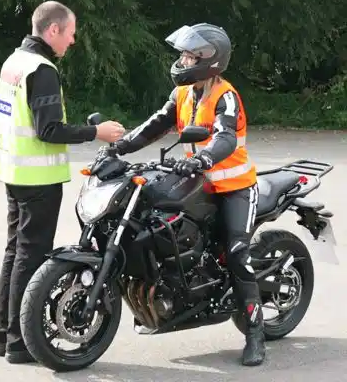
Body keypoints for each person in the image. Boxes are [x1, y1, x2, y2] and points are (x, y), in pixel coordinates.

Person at [99, 23, 265, 366]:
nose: (184, 60)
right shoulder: (183, 93)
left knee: (237, 253)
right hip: (197, 182)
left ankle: (255, 335)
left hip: (234, 188)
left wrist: (203, 157)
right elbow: (155, 125)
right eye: (184, 54)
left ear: (210, 61)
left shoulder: (226, 95)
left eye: (191, 55)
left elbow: (225, 138)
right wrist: (119, 148)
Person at [0, 1, 125, 364]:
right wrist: (97, 131)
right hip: (37, 178)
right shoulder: (42, 68)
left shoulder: (14, 62)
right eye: (70, 32)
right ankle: (21, 343)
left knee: (14, 253)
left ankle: (5, 336)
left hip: (12, 172)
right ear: (53, 30)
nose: (73, 39)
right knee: (31, 257)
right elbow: (49, 129)